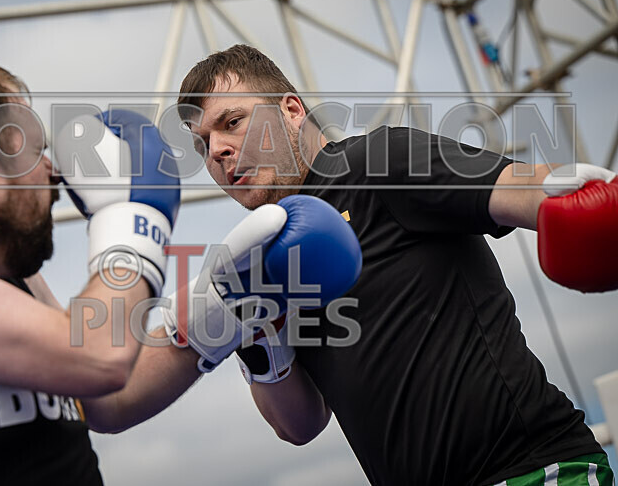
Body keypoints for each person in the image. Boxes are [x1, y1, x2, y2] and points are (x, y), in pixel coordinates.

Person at [0, 56, 364, 484]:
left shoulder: (15, 283)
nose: (54, 173)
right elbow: (99, 358)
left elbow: (106, 399)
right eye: (37, 152)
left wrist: (226, 302)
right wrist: (134, 216)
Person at [176, 44, 617, 486]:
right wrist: (258, 337)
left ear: (290, 110)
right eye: (202, 144)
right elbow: (299, 426)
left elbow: (521, 187)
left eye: (231, 123)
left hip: (531, 471)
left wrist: (576, 196)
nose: (216, 150)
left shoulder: (377, 162)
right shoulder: (260, 263)